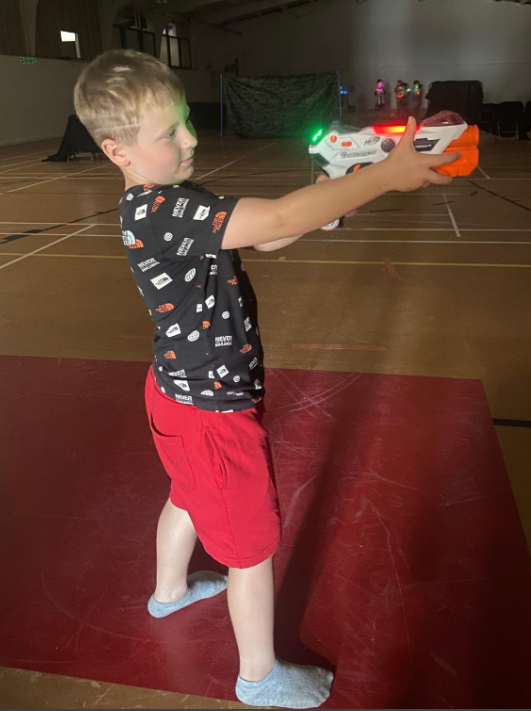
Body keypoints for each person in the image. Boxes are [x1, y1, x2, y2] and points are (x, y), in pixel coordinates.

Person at [74, 50, 457, 709]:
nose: (190, 138)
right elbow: (277, 219)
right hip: (212, 409)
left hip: (176, 391)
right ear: (118, 151)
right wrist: (383, 177)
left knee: (187, 493)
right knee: (249, 548)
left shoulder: (172, 200)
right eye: (170, 132)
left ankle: (168, 593)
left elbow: (269, 234)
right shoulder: (160, 211)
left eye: (186, 120)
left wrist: (329, 197)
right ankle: (258, 677)